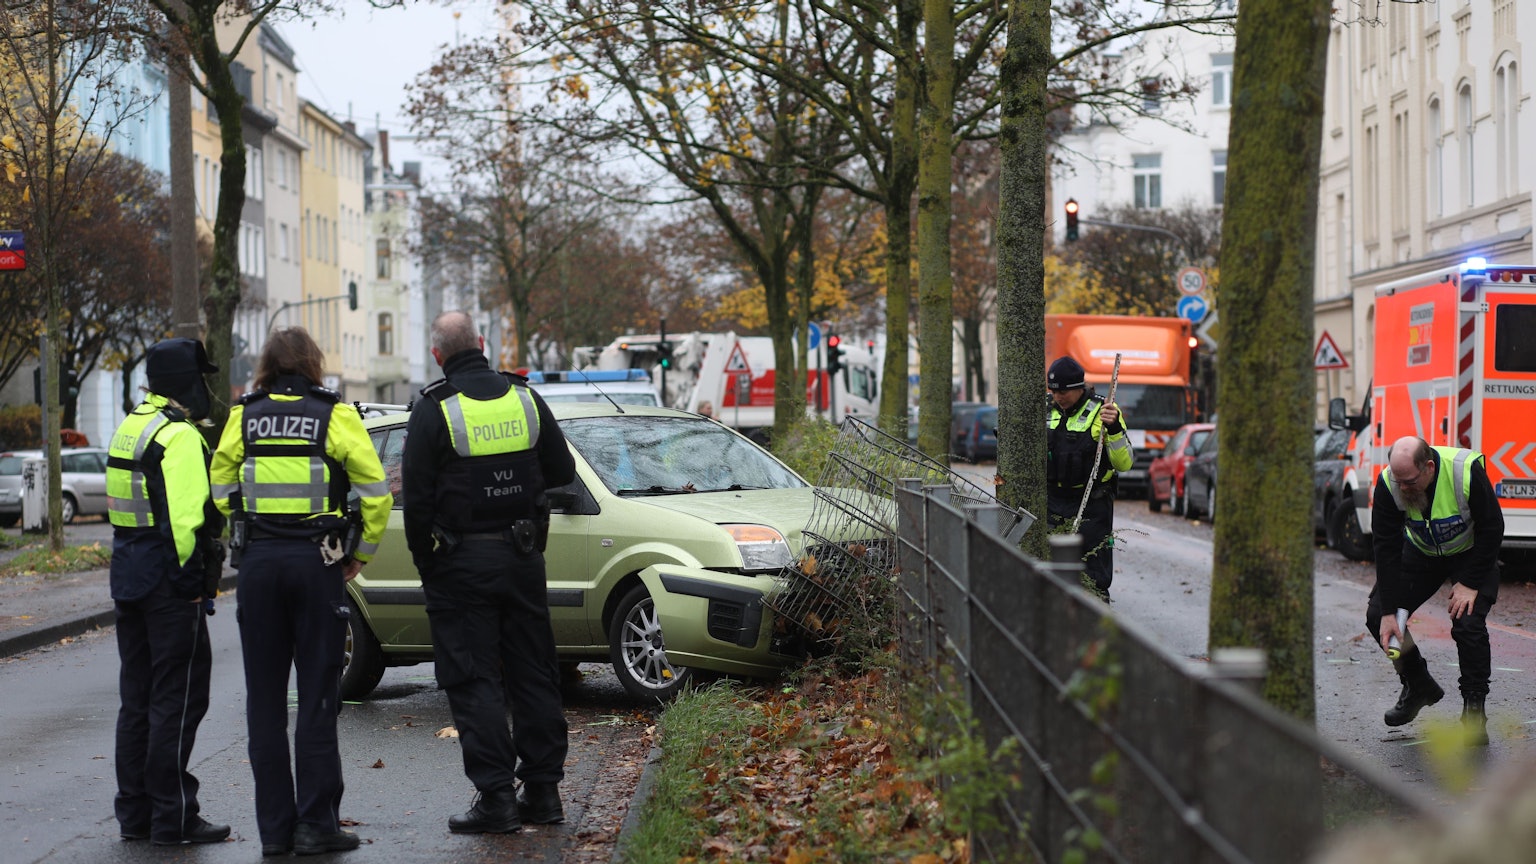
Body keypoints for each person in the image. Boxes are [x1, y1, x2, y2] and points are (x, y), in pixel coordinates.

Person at [210, 327, 392, 856]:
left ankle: (274, 833)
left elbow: (220, 485)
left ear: (267, 364)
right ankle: (316, 826)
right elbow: (377, 493)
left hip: (261, 563)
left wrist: (242, 522)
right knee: (316, 697)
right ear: (313, 363)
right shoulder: (333, 415)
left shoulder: (244, 414)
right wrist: (361, 553)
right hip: (318, 562)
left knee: (264, 703)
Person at [403, 310, 577, 834]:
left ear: (438, 355)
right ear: (482, 343)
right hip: (523, 559)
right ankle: (543, 795)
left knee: (474, 678)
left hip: (460, 566)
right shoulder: (525, 398)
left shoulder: (435, 410)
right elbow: (563, 473)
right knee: (533, 671)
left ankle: (498, 799)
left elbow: (415, 503)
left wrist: (427, 564)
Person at [106, 337, 230, 846]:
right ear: (186, 382)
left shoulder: (131, 426)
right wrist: (192, 588)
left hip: (128, 577)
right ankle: (173, 816)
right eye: (201, 378)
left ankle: (134, 815)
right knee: (175, 701)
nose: (206, 387)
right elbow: (185, 522)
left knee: (136, 700)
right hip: (166, 583)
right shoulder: (178, 436)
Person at [1368, 435, 1503, 744]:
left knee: (1467, 622)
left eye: (1410, 481)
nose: (1403, 488)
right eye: (1398, 481)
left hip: (1471, 556)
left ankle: (1473, 711)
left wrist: (1469, 583)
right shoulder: (1390, 483)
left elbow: (1493, 527)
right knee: (1379, 615)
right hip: (1421, 555)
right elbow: (1385, 547)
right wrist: (1389, 611)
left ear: (1428, 467)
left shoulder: (1464, 472)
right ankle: (1418, 686)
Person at [1044, 356, 1132, 599]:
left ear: (1079, 388)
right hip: (1052, 501)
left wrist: (1113, 430)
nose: (1058, 397)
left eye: (1064, 392)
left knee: (1094, 571)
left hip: (1092, 503)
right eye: (1053, 391)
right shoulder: (1045, 409)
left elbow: (1124, 463)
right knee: (1051, 566)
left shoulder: (1104, 411)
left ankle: (1094, 622)